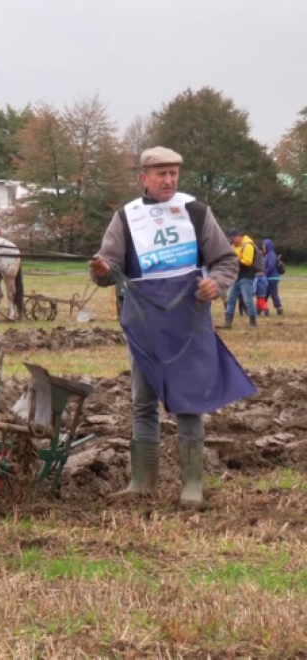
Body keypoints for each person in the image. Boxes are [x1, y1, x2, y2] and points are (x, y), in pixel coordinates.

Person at [89, 146, 255, 509]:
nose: (168, 179)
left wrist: (218, 284)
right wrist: (101, 271)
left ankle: (191, 486)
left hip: (188, 324)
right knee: (143, 402)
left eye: (173, 173)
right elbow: (107, 266)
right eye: (160, 173)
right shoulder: (126, 218)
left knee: (189, 402)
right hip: (144, 325)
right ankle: (142, 482)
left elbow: (226, 261)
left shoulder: (196, 213)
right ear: (144, 178)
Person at [220, 229, 259, 328]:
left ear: (238, 236)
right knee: (230, 299)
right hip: (235, 276)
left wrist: (236, 260)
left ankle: (253, 323)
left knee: (247, 300)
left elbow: (248, 261)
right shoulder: (234, 246)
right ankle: (228, 323)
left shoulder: (248, 245)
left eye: (233, 238)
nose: (232, 241)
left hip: (246, 275)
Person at [262, 238, 283, 316]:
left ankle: (279, 309)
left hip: (272, 277)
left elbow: (270, 266)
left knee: (273, 294)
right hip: (270, 277)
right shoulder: (268, 254)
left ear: (267, 246)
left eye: (264, 246)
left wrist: (265, 274)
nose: (263, 247)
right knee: (265, 294)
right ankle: (260, 309)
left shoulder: (271, 254)